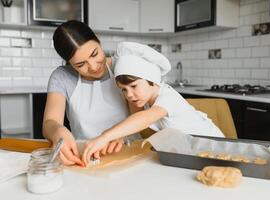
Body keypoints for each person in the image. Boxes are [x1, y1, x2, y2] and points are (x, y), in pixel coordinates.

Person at [82, 42, 224, 165]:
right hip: (191, 151)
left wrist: (105, 136)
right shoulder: (146, 99)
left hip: (214, 148)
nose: (129, 95)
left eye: (134, 86)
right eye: (123, 90)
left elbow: (144, 119)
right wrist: (118, 135)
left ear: (151, 79)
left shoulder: (167, 97)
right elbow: (135, 122)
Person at [43, 20, 130, 166]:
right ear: (69, 63)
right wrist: (57, 130)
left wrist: (121, 135)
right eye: (80, 64)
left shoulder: (123, 66)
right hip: (86, 159)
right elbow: (49, 123)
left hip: (129, 152)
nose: (93, 66)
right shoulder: (62, 77)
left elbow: (143, 117)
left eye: (94, 54)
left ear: (98, 41)